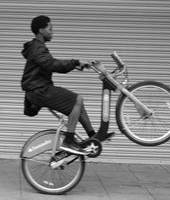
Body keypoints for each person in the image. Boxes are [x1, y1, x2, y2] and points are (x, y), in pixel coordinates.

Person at [21, 15, 109, 155]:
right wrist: (74, 62)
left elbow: (51, 63)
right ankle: (69, 141)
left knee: (79, 105)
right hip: (39, 90)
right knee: (77, 99)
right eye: (50, 28)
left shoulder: (37, 48)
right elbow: (51, 64)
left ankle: (93, 136)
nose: (52, 32)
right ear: (41, 30)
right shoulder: (37, 48)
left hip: (39, 90)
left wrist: (76, 65)